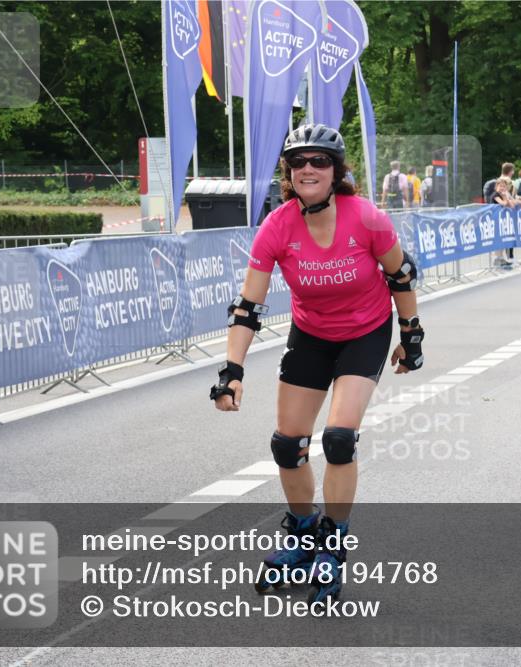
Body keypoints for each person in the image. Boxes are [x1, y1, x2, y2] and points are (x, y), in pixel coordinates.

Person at [213, 123, 424, 608]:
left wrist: (410, 334)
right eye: (299, 161)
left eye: (320, 161)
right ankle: (304, 533)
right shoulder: (277, 226)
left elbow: (401, 272)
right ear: (288, 171)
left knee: (338, 438)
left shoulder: (365, 217)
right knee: (287, 445)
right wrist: (232, 370)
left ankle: (333, 540)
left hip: (364, 333)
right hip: (310, 335)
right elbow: (248, 307)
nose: (309, 168)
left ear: (336, 171)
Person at [491, 177, 521, 269]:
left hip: (503, 221)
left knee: (502, 240)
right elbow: (503, 203)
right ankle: (497, 259)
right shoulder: (495, 195)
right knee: (497, 240)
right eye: (500, 186)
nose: (502, 188)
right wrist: (505, 197)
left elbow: (511, 205)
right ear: (497, 186)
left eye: (504, 186)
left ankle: (502, 259)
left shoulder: (504, 194)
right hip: (495, 220)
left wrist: (506, 197)